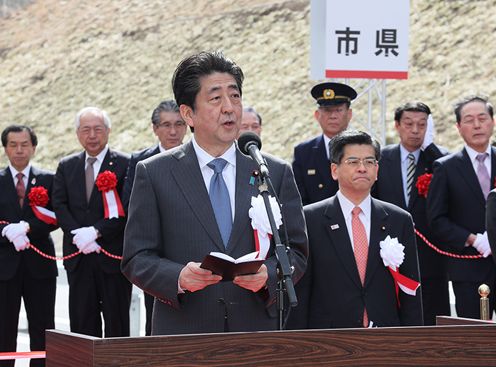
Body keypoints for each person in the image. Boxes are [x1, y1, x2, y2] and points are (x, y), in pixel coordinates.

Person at [121, 51, 308, 335]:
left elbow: (296, 251)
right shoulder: (155, 173)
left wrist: (268, 275)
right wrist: (179, 277)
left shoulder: (272, 171)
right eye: (215, 98)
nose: (229, 108)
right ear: (188, 114)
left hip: (256, 330)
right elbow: (137, 258)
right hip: (185, 331)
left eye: (235, 96)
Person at [289, 130, 423, 329]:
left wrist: (412, 341)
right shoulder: (310, 219)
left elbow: (410, 289)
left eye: (369, 162)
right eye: (353, 162)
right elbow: (302, 289)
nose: (362, 168)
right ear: (334, 170)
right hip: (329, 336)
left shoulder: (398, 220)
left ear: (377, 170)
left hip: (386, 335)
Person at [52, 107, 131, 337]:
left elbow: (126, 207)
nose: (92, 135)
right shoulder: (67, 166)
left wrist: (96, 233)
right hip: (79, 258)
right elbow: (60, 205)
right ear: (78, 134)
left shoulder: (125, 164)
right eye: (86, 130)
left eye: (98, 129)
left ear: (108, 131)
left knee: (117, 324)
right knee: (82, 325)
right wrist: (80, 236)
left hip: (112, 257)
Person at [372, 102, 450, 325]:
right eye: (409, 124)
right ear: (397, 125)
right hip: (389, 247)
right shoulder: (381, 158)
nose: (415, 130)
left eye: (422, 124)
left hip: (431, 253)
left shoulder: (439, 159)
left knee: (432, 311)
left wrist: (431, 148)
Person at [121, 99, 187, 336]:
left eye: (179, 124)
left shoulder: (198, 158)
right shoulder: (141, 161)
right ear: (154, 128)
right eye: (166, 124)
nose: (173, 131)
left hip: (190, 251)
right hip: (156, 256)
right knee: (156, 316)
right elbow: (131, 205)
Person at [427, 95, 496, 319]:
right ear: (458, 127)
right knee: (475, 337)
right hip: (469, 270)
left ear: (492, 122)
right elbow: (437, 220)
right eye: (469, 120)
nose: (477, 125)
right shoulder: (446, 168)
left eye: (482, 118)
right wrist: (473, 239)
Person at [0, 125, 57, 367]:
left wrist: (27, 228)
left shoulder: (48, 179)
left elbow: (56, 216)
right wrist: (5, 232)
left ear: (33, 147)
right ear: (5, 148)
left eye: (24, 144)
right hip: (4, 268)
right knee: (3, 329)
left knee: (42, 329)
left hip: (39, 266)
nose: (19, 150)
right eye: (13, 145)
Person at [292, 82, 357, 205]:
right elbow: (298, 197)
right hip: (315, 221)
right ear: (317, 115)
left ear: (349, 114)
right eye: (327, 110)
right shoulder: (303, 152)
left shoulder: (362, 149)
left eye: (338, 110)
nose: (333, 116)